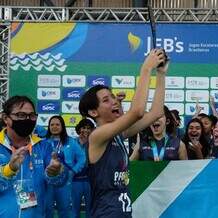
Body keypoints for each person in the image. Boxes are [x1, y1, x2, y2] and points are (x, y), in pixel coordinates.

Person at [78, 49, 167, 217]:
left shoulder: (119, 135)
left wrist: (160, 74)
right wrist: (146, 69)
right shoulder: (97, 136)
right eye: (106, 100)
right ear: (93, 112)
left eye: (112, 97)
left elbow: (156, 112)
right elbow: (138, 111)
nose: (114, 102)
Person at [0, 96, 68, 218]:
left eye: (32, 116)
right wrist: (8, 170)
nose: (28, 119)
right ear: (6, 118)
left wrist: (56, 172)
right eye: (21, 115)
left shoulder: (44, 146)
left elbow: (60, 181)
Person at [45, 115, 86, 218]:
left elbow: (82, 158)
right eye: (52, 124)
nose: (54, 126)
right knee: (47, 210)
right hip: (47, 182)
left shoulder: (70, 142)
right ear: (49, 127)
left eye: (57, 124)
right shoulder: (44, 143)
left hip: (65, 182)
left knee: (65, 210)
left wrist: (73, 171)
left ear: (62, 126)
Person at [72, 119, 95, 218]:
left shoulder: (94, 143)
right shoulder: (72, 142)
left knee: (90, 209)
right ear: (79, 129)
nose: (86, 130)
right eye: (83, 127)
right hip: (75, 181)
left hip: (89, 181)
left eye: (89, 128)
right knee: (74, 210)